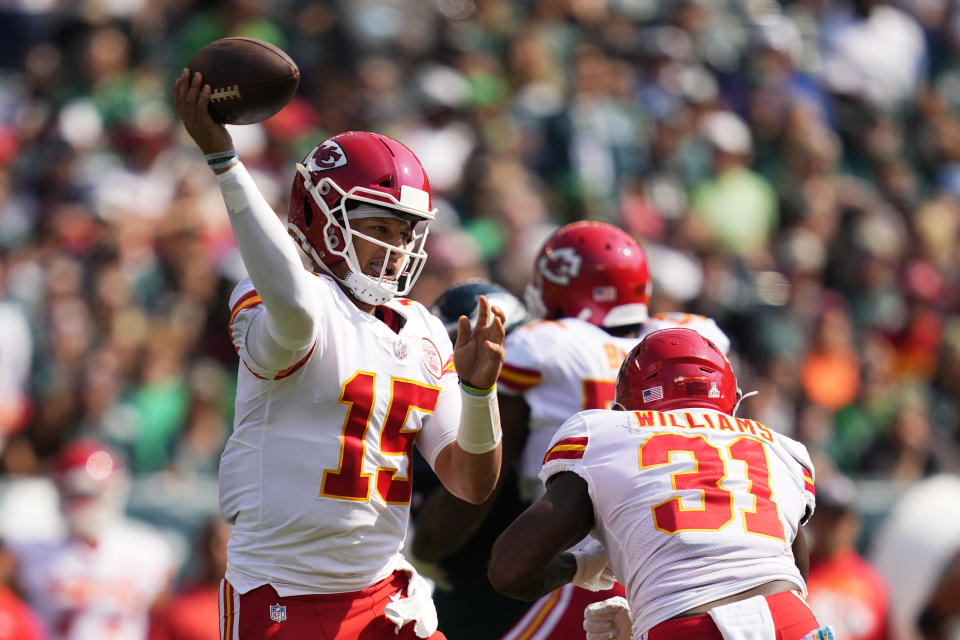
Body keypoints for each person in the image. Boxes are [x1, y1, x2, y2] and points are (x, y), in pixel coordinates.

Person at [173, 69, 506, 640]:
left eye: (406, 235)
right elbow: (298, 303)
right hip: (283, 595)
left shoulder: (421, 329)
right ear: (320, 218)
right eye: (379, 228)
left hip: (385, 593)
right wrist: (226, 163)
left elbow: (470, 482)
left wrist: (479, 395)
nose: (394, 251)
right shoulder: (279, 301)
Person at [415, 220, 731, 639]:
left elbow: (478, 486)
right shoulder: (688, 338)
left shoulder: (544, 347)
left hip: (581, 560)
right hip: (692, 558)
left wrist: (425, 548)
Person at [488, 328, 831, 640]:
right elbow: (795, 571)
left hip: (685, 624)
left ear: (628, 402)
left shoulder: (604, 434)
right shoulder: (780, 446)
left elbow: (509, 569)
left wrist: (580, 566)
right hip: (793, 620)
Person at [409, 279, 533, 639]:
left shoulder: (535, 400)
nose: (493, 357)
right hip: (478, 597)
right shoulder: (435, 418)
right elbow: (435, 537)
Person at [10, 439, 175, 640]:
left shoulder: (149, 551)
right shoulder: (31, 552)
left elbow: (161, 617)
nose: (84, 504)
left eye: (92, 495)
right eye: (76, 494)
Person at [804, 473, 890, 640]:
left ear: (854, 523)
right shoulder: (795, 573)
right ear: (812, 519)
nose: (833, 527)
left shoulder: (872, 583)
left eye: (839, 518)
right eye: (825, 517)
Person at [147, 516, 231, 640]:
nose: (216, 553)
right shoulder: (179, 609)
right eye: (212, 544)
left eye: (225, 545)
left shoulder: (260, 603)